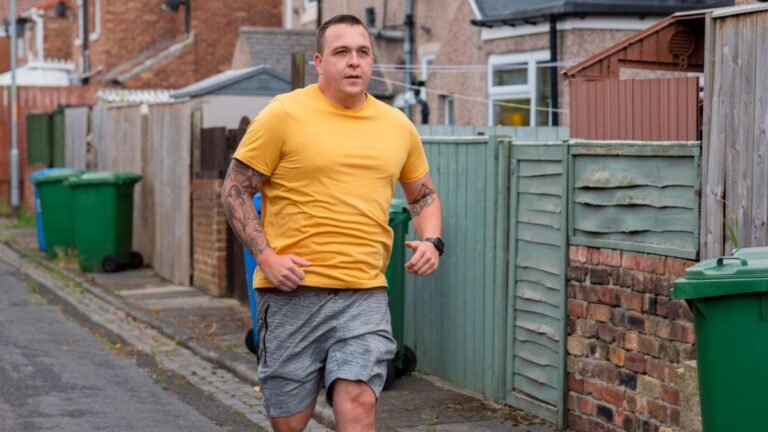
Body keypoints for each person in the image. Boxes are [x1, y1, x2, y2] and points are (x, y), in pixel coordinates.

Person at [221, 14, 443, 432]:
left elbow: (424, 195)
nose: (354, 62)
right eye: (342, 52)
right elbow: (234, 190)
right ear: (319, 62)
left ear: (373, 62)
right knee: (289, 421)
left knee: (358, 401)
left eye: (363, 53)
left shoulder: (397, 126)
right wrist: (265, 257)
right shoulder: (282, 115)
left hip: (364, 292)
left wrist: (433, 240)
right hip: (292, 293)